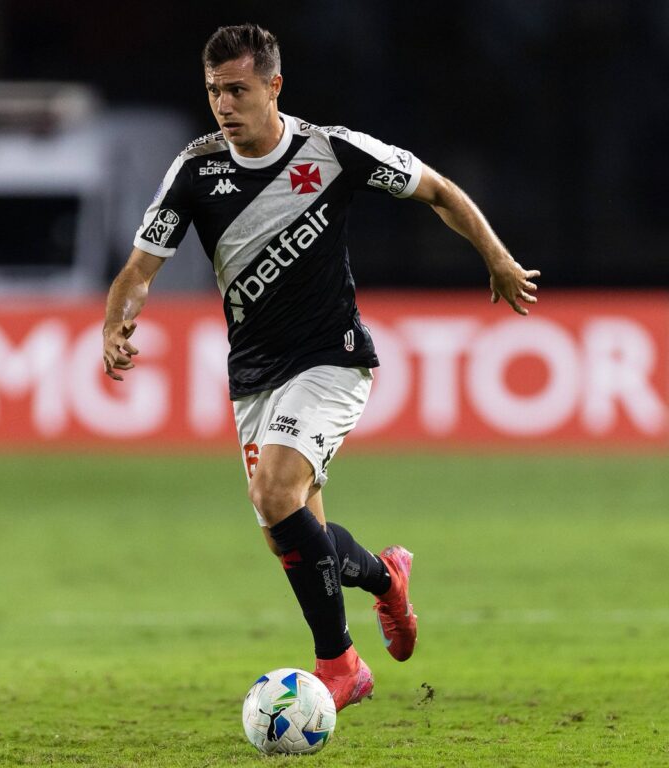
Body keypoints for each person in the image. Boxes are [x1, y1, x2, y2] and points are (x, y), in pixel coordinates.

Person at [102, 23, 540, 712]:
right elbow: (139, 269)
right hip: (254, 374)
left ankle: (340, 664)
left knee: (274, 494)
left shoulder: (332, 151)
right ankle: (386, 579)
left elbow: (439, 190)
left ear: (274, 86)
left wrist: (498, 258)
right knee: (291, 533)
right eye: (214, 91)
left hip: (332, 358)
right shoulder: (196, 170)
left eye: (238, 90)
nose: (224, 105)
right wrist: (115, 322)